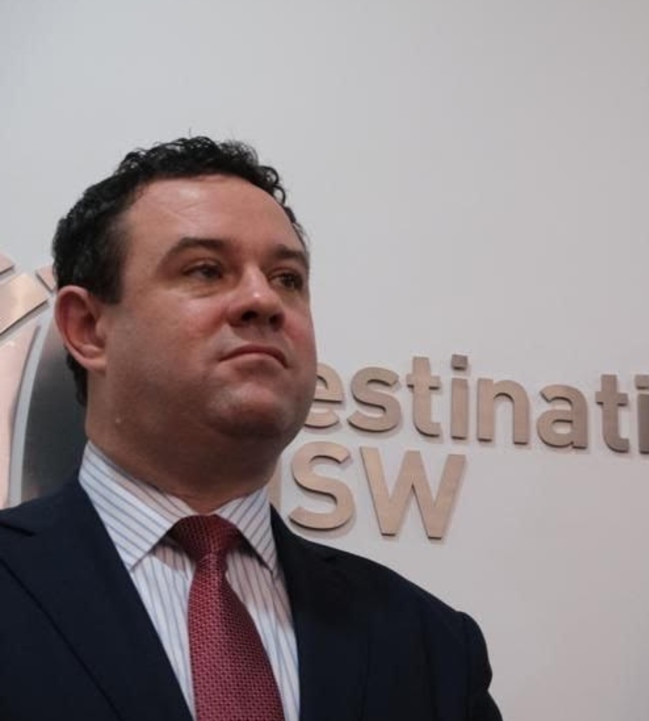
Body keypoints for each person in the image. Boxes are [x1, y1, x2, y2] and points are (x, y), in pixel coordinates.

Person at [0, 137, 502, 721]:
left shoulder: (431, 646)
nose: (264, 301)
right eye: (206, 270)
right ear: (87, 328)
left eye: (288, 278)